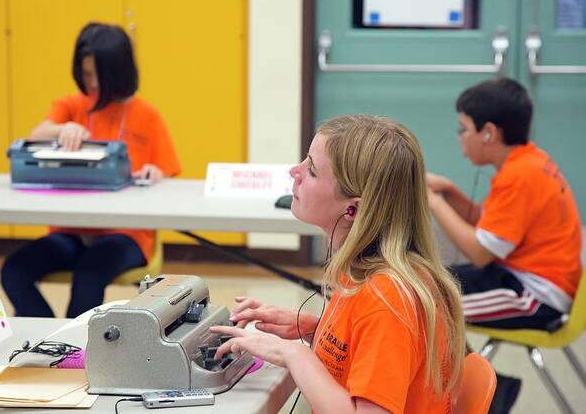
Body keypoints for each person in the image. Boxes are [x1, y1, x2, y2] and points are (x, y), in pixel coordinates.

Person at [210, 115, 466, 413]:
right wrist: (315, 330)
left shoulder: (387, 300)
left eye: (313, 171)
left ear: (352, 210)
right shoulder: (367, 271)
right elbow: (371, 349)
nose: (295, 171)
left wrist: (295, 356)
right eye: (305, 160)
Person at [0, 22, 181, 318]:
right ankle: (48, 339)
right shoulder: (73, 105)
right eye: (85, 74)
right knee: (14, 270)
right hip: (70, 231)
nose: (92, 83)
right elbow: (36, 135)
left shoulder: (146, 115)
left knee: (89, 273)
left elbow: (167, 174)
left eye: (98, 75)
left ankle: (76, 350)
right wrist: (60, 129)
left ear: (118, 72)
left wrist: (154, 173)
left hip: (125, 234)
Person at [427, 78, 582, 413]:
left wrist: (434, 203)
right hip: (525, 278)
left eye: (463, 128)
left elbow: (481, 251)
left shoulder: (520, 176)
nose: (459, 138)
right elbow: (493, 227)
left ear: (488, 133)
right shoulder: (528, 162)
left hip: (535, 297)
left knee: (426, 304)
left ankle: (484, 391)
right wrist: (451, 192)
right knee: (428, 285)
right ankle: (492, 385)